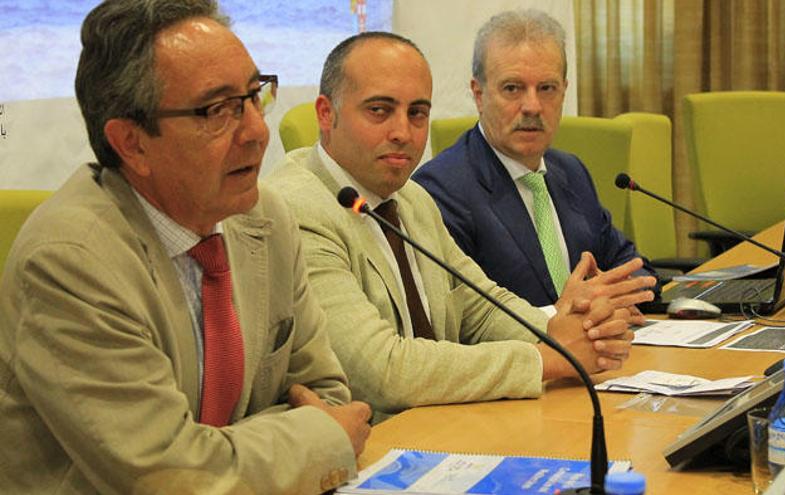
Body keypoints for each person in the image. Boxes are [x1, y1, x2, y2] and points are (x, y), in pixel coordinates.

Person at [0, 1, 369, 494]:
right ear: (131, 143)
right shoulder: (69, 262)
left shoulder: (266, 219)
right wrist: (311, 440)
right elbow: (172, 477)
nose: (257, 132)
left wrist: (226, 454)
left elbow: (326, 394)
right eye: (217, 111)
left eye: (254, 96)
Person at [267, 31, 655, 422]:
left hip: (443, 427)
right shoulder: (296, 209)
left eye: (417, 113)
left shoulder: (411, 198)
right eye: (379, 111)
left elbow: (481, 307)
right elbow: (384, 371)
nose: (403, 132)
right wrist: (547, 358)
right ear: (325, 114)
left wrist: (570, 328)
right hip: (368, 445)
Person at [412, 9, 659, 308]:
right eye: (513, 88)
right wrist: (568, 314)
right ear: (479, 94)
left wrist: (611, 296)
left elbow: (633, 267)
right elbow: (461, 321)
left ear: (564, 92)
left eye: (547, 88)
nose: (532, 106)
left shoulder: (570, 171)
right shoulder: (441, 189)